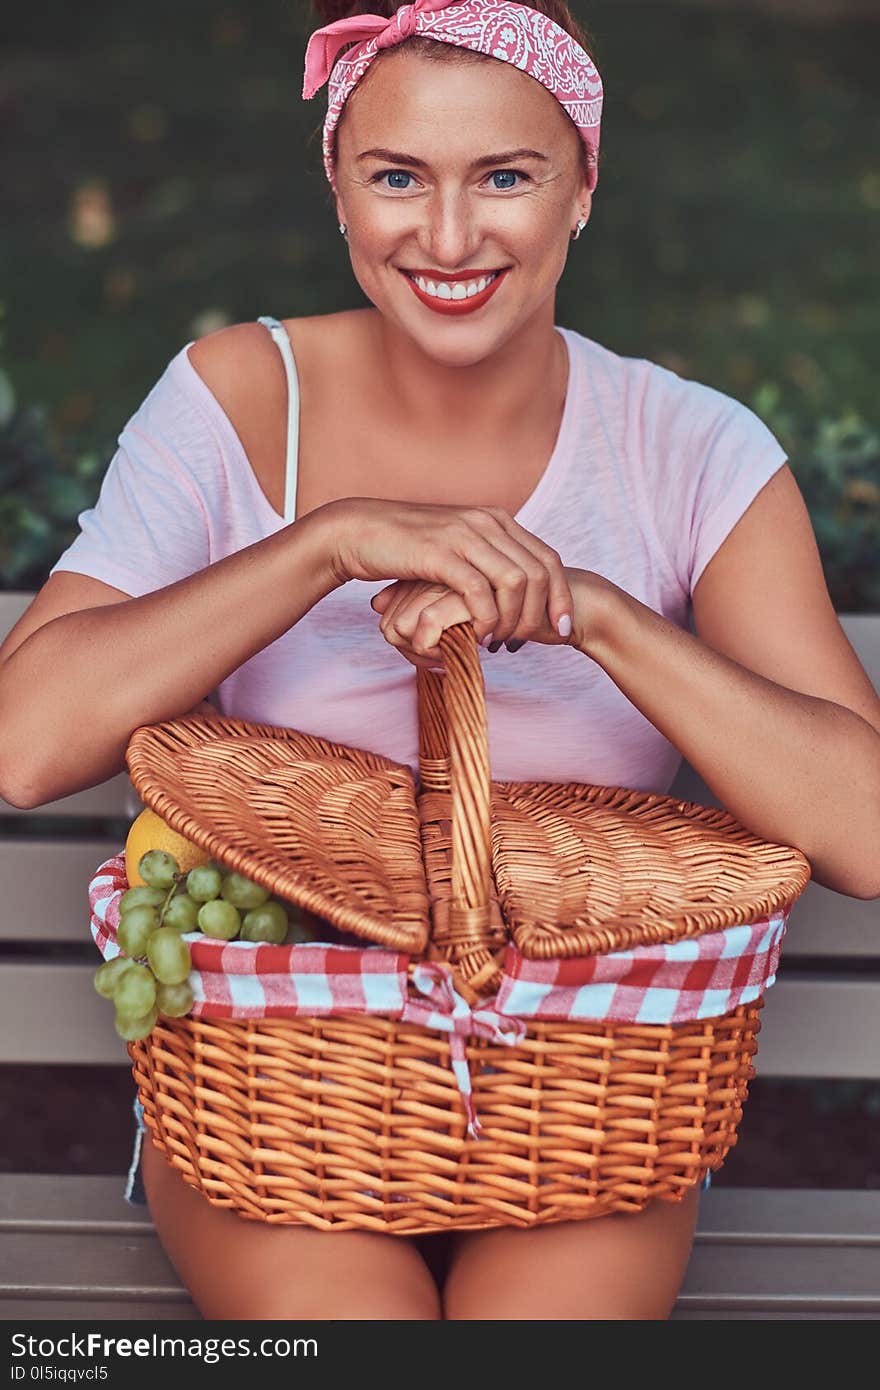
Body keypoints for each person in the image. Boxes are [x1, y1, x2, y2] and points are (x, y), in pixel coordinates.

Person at [2, 0, 879, 1321]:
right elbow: (24, 743)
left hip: (587, 1118)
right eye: (397, 176)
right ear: (338, 187)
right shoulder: (242, 399)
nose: (450, 237)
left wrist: (610, 616)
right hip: (283, 1106)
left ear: (584, 185)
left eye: (507, 177)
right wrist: (332, 543)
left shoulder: (689, 450)